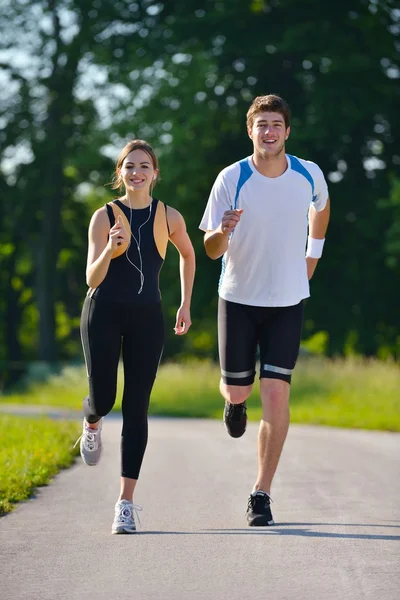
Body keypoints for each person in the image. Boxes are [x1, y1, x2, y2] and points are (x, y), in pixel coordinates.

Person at [199, 94, 330, 526]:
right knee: (238, 389)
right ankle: (235, 404)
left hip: (288, 300)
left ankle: (261, 493)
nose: (269, 131)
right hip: (237, 299)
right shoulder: (231, 177)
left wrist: (312, 258)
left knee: (276, 392)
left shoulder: (308, 174)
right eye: (261, 124)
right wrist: (222, 230)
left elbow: (322, 208)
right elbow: (212, 250)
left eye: (276, 124)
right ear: (250, 130)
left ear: (287, 131)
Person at [78, 139, 195, 534]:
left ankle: (125, 503)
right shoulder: (104, 216)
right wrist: (110, 250)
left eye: (144, 166)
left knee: (137, 406)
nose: (137, 172)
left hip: (148, 317)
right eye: (129, 166)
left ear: (155, 173)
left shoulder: (169, 216)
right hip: (103, 312)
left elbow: (188, 254)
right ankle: (91, 419)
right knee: (106, 400)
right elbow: (91, 279)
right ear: (120, 173)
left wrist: (184, 303)